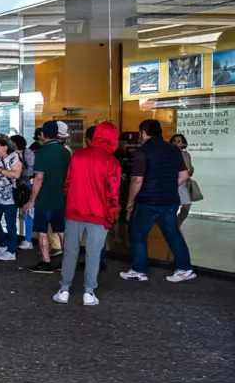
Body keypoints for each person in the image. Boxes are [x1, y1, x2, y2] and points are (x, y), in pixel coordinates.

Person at [55, 121, 121, 305]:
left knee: (70, 252)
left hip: (74, 211)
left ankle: (64, 290)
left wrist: (71, 201)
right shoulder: (112, 162)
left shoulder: (78, 156)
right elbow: (113, 195)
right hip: (98, 214)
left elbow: (67, 184)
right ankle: (89, 292)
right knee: (93, 253)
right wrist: (110, 217)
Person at [121, 119, 195, 282]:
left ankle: (139, 271)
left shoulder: (143, 151)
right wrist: (167, 185)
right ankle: (185, 269)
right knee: (173, 234)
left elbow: (137, 180)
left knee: (137, 234)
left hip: (147, 201)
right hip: (170, 200)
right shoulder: (174, 150)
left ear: (143, 133)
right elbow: (184, 175)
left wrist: (130, 201)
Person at [23, 120, 70, 274]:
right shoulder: (65, 152)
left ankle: (46, 262)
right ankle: (68, 262)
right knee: (61, 231)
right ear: (57, 134)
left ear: (42, 134)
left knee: (42, 231)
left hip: (44, 199)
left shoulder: (42, 152)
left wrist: (31, 200)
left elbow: (39, 178)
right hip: (61, 199)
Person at [0, 134, 23, 261]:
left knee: (10, 224)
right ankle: (2, 244)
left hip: (9, 198)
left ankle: (11, 250)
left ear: (6, 147)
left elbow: (16, 175)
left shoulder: (14, 157)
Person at [12, 134, 35, 250]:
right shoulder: (21, 153)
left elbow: (31, 168)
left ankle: (28, 240)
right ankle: (26, 239)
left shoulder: (27, 153)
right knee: (25, 212)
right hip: (22, 185)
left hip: (26, 185)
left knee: (27, 212)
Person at [170, 134, 195, 228]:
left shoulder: (186, 154)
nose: (176, 142)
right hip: (173, 182)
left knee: (186, 206)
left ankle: (177, 224)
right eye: (175, 140)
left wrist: (191, 170)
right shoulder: (168, 154)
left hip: (183, 183)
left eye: (179, 140)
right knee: (173, 205)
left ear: (183, 143)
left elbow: (190, 167)